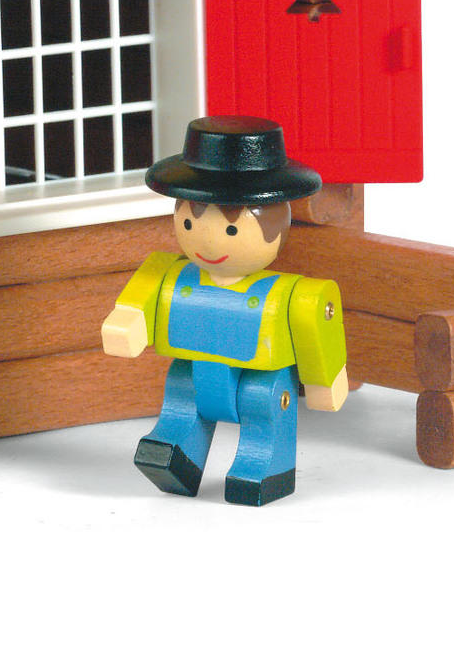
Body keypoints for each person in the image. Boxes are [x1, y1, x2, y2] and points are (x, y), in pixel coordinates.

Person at [101, 115, 350, 505]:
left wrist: (325, 379)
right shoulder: (166, 272)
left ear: (277, 227)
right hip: (193, 370)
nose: (208, 242)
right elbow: (140, 298)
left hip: (261, 379)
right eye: (190, 223)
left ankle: (263, 467)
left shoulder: (292, 294)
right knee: (181, 398)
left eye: (231, 229)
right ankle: (175, 452)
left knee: (262, 409)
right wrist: (128, 321)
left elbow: (317, 325)